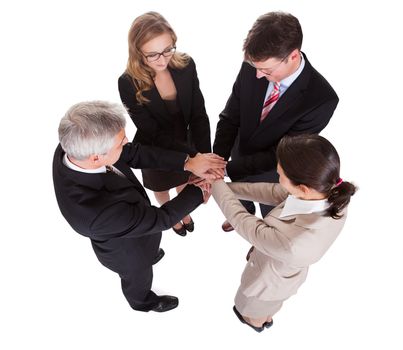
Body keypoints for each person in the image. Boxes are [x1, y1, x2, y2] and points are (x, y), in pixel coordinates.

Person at [53, 101, 226, 312]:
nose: (127, 141)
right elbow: (159, 219)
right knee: (138, 275)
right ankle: (143, 302)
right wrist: (199, 191)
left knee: (150, 243)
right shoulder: (95, 215)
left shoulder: (74, 146)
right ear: (96, 157)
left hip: (135, 222)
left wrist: (187, 163)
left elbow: (132, 153)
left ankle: (152, 252)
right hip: (128, 253)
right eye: (120, 142)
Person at [210, 134, 356, 332]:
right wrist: (227, 187)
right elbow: (274, 192)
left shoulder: (293, 244)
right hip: (282, 272)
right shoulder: (326, 190)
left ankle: (257, 323)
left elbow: (244, 223)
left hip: (268, 283)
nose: (278, 178)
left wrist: (214, 183)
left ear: (303, 188)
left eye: (280, 175)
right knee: (270, 306)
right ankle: (265, 317)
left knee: (251, 308)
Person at [213, 11, 339, 232]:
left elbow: (282, 154)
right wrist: (218, 160)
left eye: (267, 70)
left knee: (270, 214)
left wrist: (225, 169)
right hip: (238, 151)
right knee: (239, 195)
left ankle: (263, 234)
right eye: (256, 67)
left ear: (293, 55)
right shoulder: (252, 67)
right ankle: (243, 211)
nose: (259, 75)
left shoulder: (321, 99)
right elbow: (230, 117)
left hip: (274, 172)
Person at [118, 11, 212, 237]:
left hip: (185, 140)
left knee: (185, 181)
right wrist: (191, 158)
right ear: (137, 51)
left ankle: (183, 211)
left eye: (168, 49)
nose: (162, 59)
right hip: (155, 148)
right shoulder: (127, 82)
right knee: (161, 188)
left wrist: (204, 156)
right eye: (152, 54)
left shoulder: (186, 64)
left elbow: (199, 113)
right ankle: (169, 212)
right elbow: (152, 130)